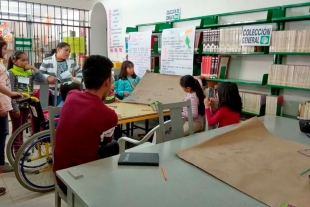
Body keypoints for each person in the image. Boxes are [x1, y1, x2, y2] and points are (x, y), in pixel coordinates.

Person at [53, 55, 119, 195]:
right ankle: (107, 191)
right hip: (80, 181)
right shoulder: (108, 115)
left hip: (60, 175)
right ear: (107, 82)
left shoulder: (72, 95)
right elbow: (107, 141)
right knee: (114, 145)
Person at [8, 51, 46, 154]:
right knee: (17, 128)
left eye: (26, 60)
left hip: (27, 104)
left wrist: (33, 68)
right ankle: (17, 151)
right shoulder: (11, 72)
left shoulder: (29, 72)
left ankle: (20, 150)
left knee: (22, 127)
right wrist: (14, 107)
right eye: (22, 60)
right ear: (14, 61)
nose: (25, 62)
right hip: (17, 104)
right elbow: (10, 90)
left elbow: (43, 80)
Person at [0, 37, 14, 173]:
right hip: (1, 106)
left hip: (4, 103)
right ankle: (1, 164)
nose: (5, 51)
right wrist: (1, 107)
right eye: (4, 48)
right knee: (2, 134)